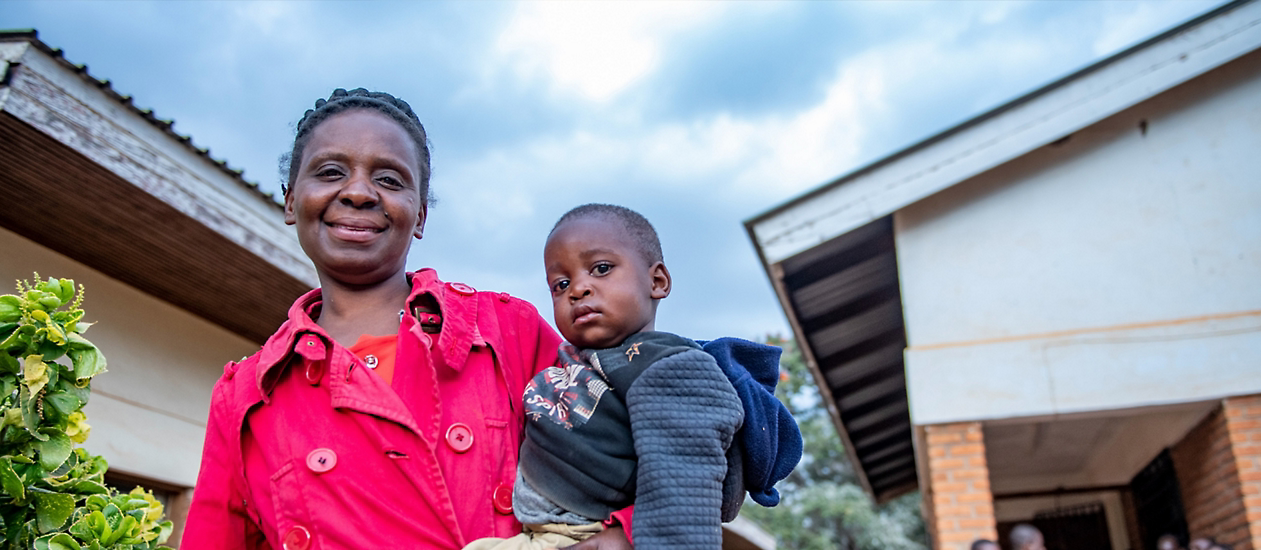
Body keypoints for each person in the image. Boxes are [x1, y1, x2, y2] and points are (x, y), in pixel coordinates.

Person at [181, 89, 628, 549]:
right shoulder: (245, 397)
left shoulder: (505, 329)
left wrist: (616, 540)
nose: (357, 192)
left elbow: (641, 446)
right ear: (291, 201)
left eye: (390, 180)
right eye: (330, 172)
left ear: (419, 215)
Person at [466, 204, 801, 549]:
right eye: (561, 284)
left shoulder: (669, 366)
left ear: (657, 281)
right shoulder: (584, 359)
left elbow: (683, 484)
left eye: (601, 268)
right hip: (541, 529)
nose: (577, 289)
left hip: (582, 535)